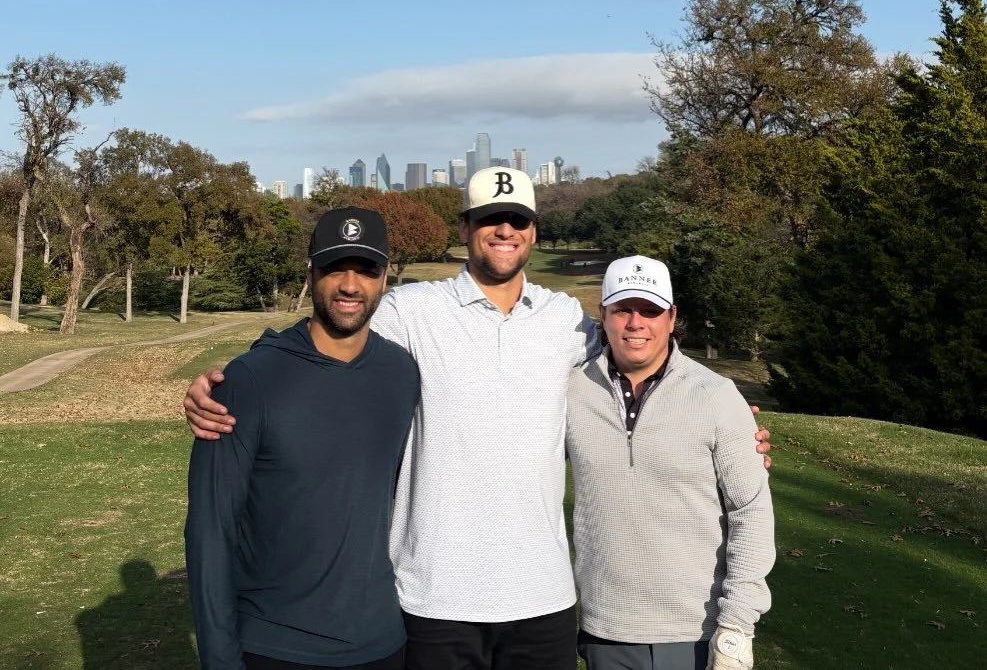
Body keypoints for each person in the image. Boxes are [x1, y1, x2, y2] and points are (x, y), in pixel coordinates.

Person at [184, 168, 772, 670]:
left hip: (543, 599)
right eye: (490, 218)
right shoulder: (411, 311)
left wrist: (722, 412)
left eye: (517, 220)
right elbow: (333, 325)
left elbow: (642, 353)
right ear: (464, 228)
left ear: (533, 231)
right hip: (433, 597)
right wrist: (242, 374)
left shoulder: (568, 322)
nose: (504, 230)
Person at [184, 207, 420, 670]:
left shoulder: (401, 372)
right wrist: (219, 659)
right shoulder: (248, 380)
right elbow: (210, 530)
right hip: (275, 646)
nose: (350, 285)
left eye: (366, 269)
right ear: (310, 275)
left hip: (382, 643)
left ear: (384, 278)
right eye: (334, 268)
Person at [567, 255, 775, 670]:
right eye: (623, 309)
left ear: (671, 316)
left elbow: (750, 510)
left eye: (650, 311)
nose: (636, 323)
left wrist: (736, 626)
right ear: (602, 315)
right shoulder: (571, 392)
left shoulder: (715, 396)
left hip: (694, 632)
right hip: (605, 628)